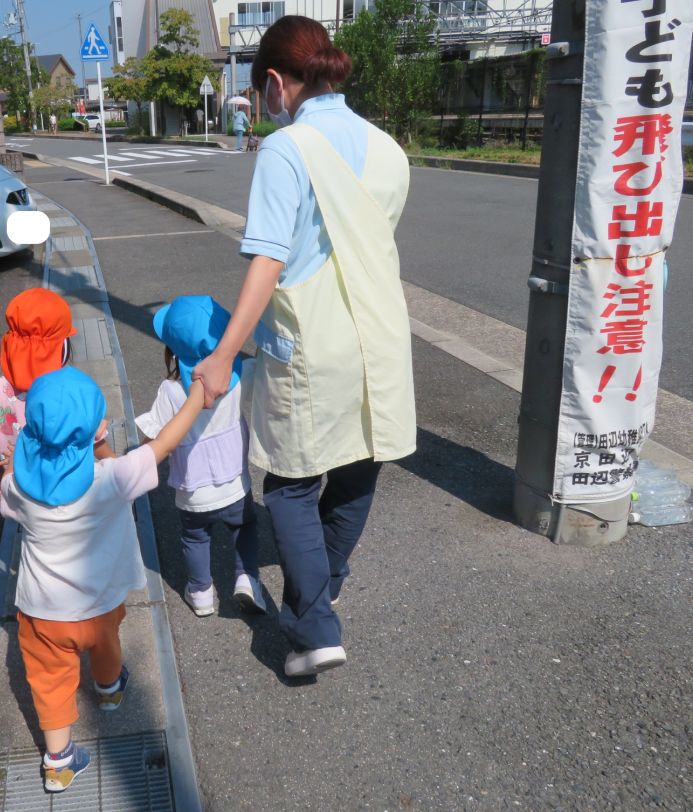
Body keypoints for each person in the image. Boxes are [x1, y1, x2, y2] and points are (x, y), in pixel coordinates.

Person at [191, 16, 414, 678]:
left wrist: (225, 352)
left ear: (273, 82)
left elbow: (267, 260)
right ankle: (328, 580)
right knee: (354, 471)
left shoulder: (288, 148)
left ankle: (315, 625)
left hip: (310, 343)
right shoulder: (389, 149)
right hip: (378, 340)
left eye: (262, 91)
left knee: (289, 489)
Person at [0, 367, 207, 792]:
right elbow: (163, 444)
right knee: (107, 644)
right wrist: (198, 397)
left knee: (51, 682)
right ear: (95, 431)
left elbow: (6, 491)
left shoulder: (18, 485)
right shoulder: (113, 478)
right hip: (102, 602)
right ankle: (109, 690)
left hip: (43, 612)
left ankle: (59, 763)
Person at [136, 296, 264, 618]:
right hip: (235, 482)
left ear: (173, 350)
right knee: (245, 526)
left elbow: (151, 438)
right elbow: (263, 372)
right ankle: (246, 578)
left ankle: (202, 592)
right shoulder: (238, 379)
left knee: (195, 537)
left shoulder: (171, 391)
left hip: (192, 492)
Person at [0, 289, 113, 496]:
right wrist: (115, 462)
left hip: (18, 483)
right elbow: (93, 441)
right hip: (66, 486)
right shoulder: (68, 392)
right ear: (61, 347)